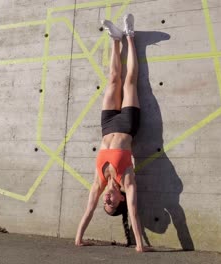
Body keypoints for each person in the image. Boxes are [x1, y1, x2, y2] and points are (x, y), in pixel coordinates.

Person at [74, 14, 149, 252]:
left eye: (104, 204)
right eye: (111, 204)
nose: (106, 200)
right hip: (127, 124)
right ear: (121, 200)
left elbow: (88, 211)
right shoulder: (128, 183)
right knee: (129, 82)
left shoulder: (99, 183)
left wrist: (78, 239)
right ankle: (130, 36)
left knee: (113, 81)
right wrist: (139, 245)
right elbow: (134, 214)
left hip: (106, 125)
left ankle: (115, 40)